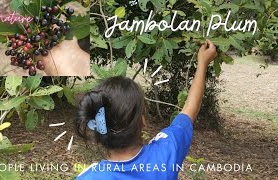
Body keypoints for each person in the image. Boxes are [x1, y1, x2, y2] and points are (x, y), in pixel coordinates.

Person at [76, 40, 218, 179]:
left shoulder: (90, 176)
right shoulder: (165, 154)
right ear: (142, 120)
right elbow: (189, 109)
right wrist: (203, 63)